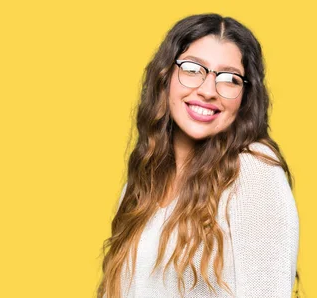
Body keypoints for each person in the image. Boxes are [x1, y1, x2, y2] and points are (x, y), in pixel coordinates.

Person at [97, 14, 300, 298]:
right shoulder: (145, 180)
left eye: (230, 78)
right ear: (166, 76)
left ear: (244, 96)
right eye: (193, 69)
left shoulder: (252, 170)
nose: (207, 91)